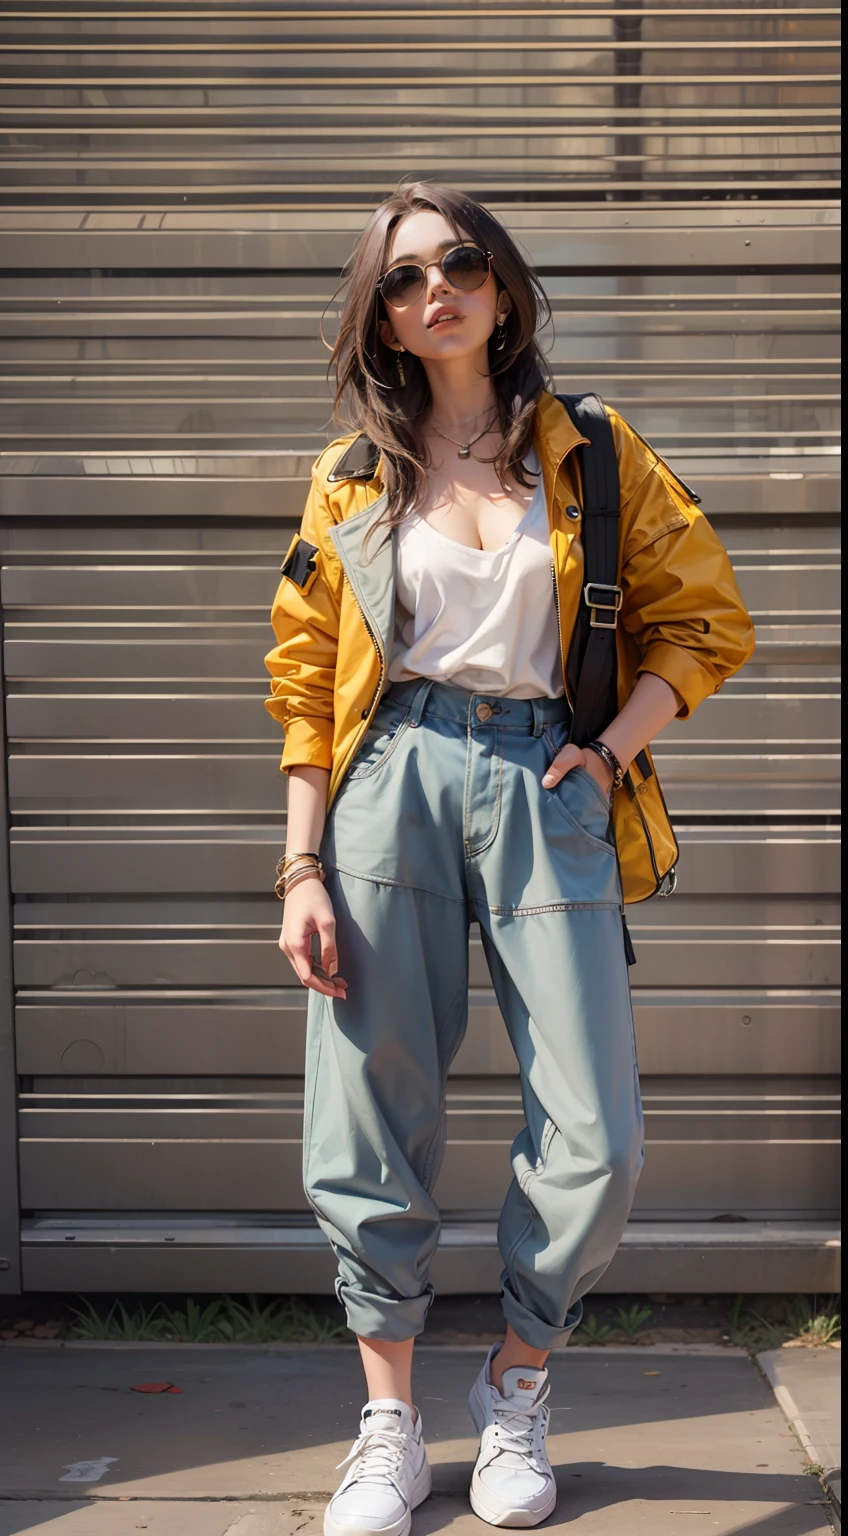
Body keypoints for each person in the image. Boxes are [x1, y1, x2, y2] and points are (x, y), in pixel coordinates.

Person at [264, 180, 755, 1534]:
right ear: (385, 315)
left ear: (503, 283)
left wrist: (608, 754)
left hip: (547, 780)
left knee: (599, 1135)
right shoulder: (355, 472)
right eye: (407, 274)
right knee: (367, 1112)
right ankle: (386, 1424)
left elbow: (704, 621)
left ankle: (517, 1382)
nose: (439, 287)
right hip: (390, 782)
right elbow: (307, 678)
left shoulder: (591, 450)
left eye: (462, 260)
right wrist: (301, 868)